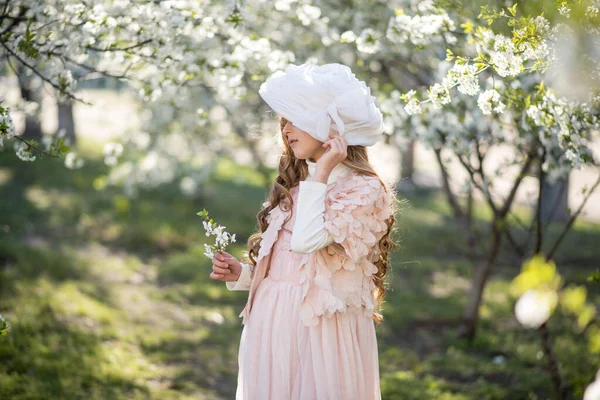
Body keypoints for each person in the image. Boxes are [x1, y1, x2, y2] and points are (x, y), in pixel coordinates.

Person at [209, 62, 399, 400]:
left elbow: (307, 241)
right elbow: (293, 268)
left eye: (295, 119)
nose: (285, 130)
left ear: (329, 127)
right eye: (284, 120)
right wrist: (243, 274)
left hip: (320, 334)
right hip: (272, 326)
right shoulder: (298, 188)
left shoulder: (363, 190)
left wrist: (322, 174)